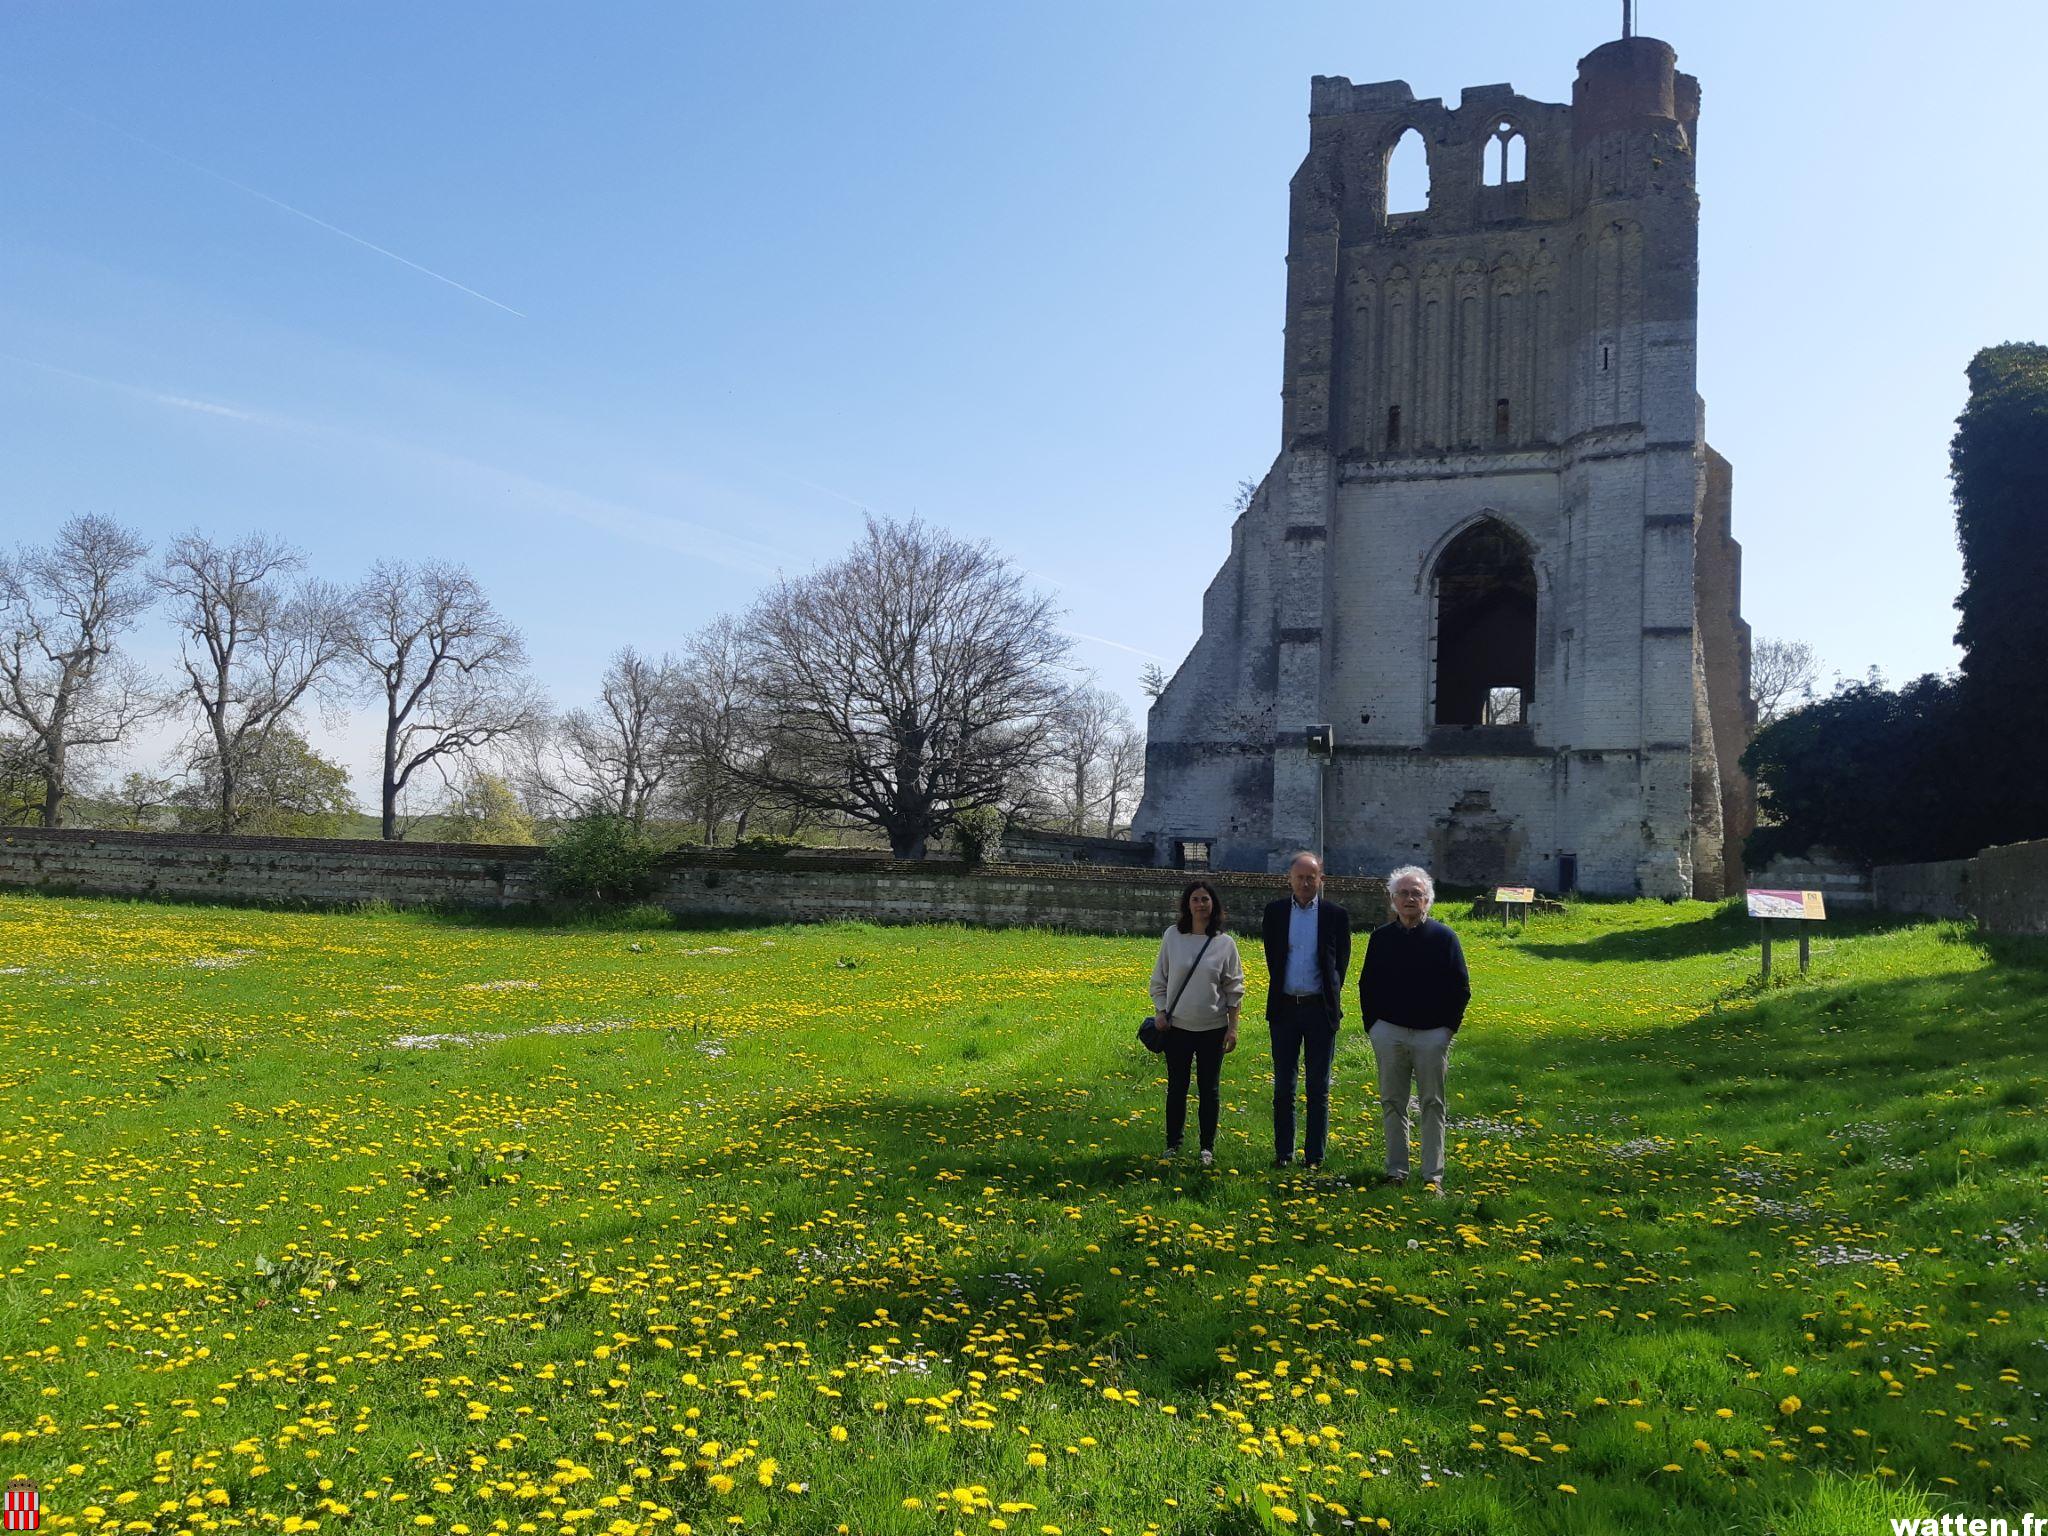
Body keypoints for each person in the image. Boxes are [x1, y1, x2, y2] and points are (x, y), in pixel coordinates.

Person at [1357, 865, 1471, 1194]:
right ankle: (1396, 1171)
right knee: (1393, 1102)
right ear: (1393, 899)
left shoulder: (1444, 938)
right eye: (1403, 893)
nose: (1410, 898)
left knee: (1432, 1103)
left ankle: (1432, 1176)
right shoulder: (1381, 939)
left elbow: (1460, 988)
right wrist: (1374, 1027)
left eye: (1416, 893)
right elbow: (1368, 985)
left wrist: (1446, 1031)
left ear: (1428, 901)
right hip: (1389, 1032)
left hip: (1432, 1036)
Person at [1259, 852, 1352, 1169]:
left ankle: (1314, 1156)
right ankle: (1284, 1154)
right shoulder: (1274, 913)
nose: (1305, 882)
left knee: (1318, 1087)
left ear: (1320, 880)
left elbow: (1340, 964)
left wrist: (1329, 996)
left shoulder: (1335, 915)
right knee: (1284, 1087)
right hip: (1284, 1009)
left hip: (1319, 1010)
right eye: (1299, 877)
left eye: (1311, 877)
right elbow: (1273, 957)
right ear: (1290, 879)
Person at [1148, 881, 1245, 1166]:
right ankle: (1173, 1143)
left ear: (1213, 904)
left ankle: (1206, 1147)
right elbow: (1159, 980)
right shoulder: (1172, 937)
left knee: (1209, 1089)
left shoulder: (1225, 944)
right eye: (1195, 899)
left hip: (1212, 1027)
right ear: (1186, 904)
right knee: (1177, 1087)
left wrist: (1233, 1026)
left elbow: (1234, 988)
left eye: (1205, 899)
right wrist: (1160, 1011)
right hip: (1177, 1026)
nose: (1200, 904)